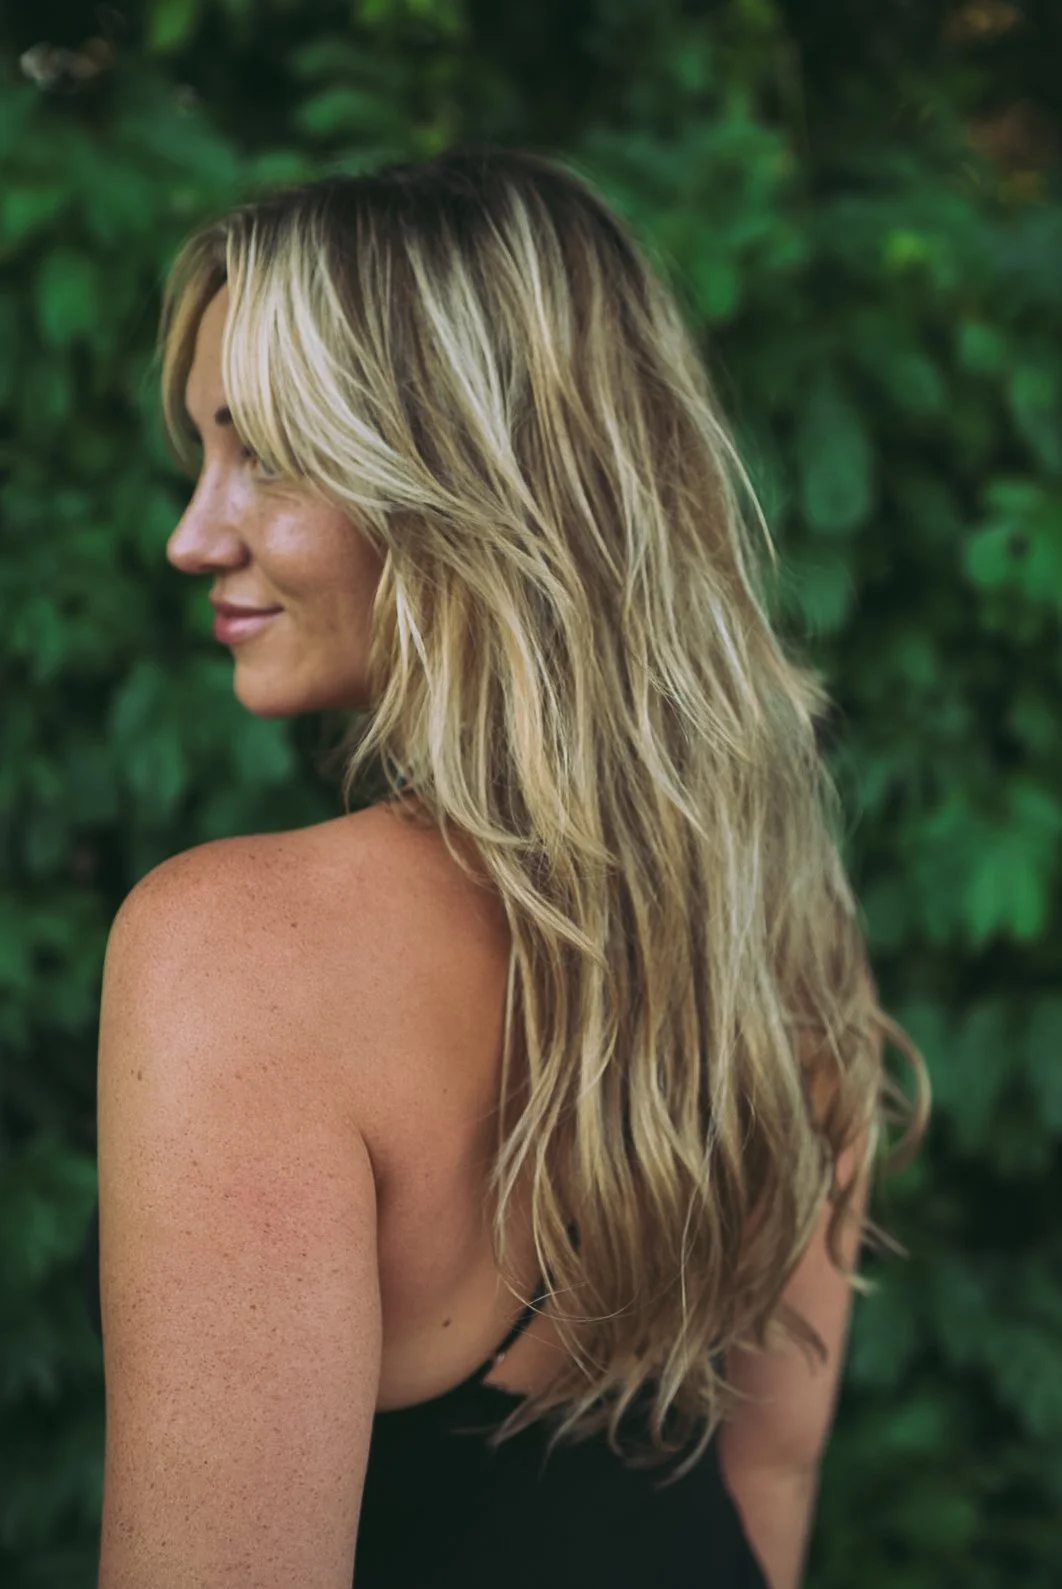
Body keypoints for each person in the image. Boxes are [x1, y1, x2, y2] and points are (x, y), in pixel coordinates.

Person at [85, 144, 930, 1588]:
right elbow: (768, 1474)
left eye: (267, 455)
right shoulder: (771, 927)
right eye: (203, 455)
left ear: (462, 484)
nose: (190, 533)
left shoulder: (235, 955)